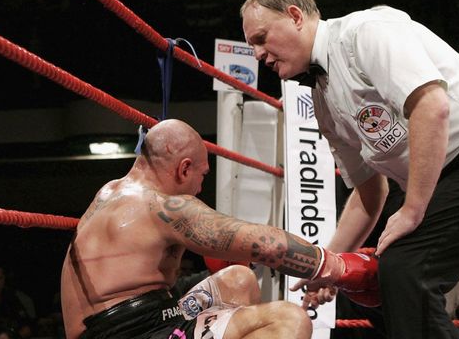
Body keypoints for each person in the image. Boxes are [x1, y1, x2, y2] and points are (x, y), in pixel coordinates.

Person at [241, 0, 459, 339]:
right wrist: (325, 264)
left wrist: (413, 210)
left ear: (295, 16)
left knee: (404, 271)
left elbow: (432, 106)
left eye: (261, 38)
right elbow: (370, 193)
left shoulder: (366, 32)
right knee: (377, 288)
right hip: (451, 176)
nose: (257, 54)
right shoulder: (322, 101)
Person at [60, 119, 378, 339]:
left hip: (144, 319)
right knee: (290, 319)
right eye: (202, 175)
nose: (200, 188)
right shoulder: (161, 206)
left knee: (237, 280)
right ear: (184, 168)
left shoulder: (111, 191)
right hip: (134, 332)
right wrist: (336, 267)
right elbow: (264, 244)